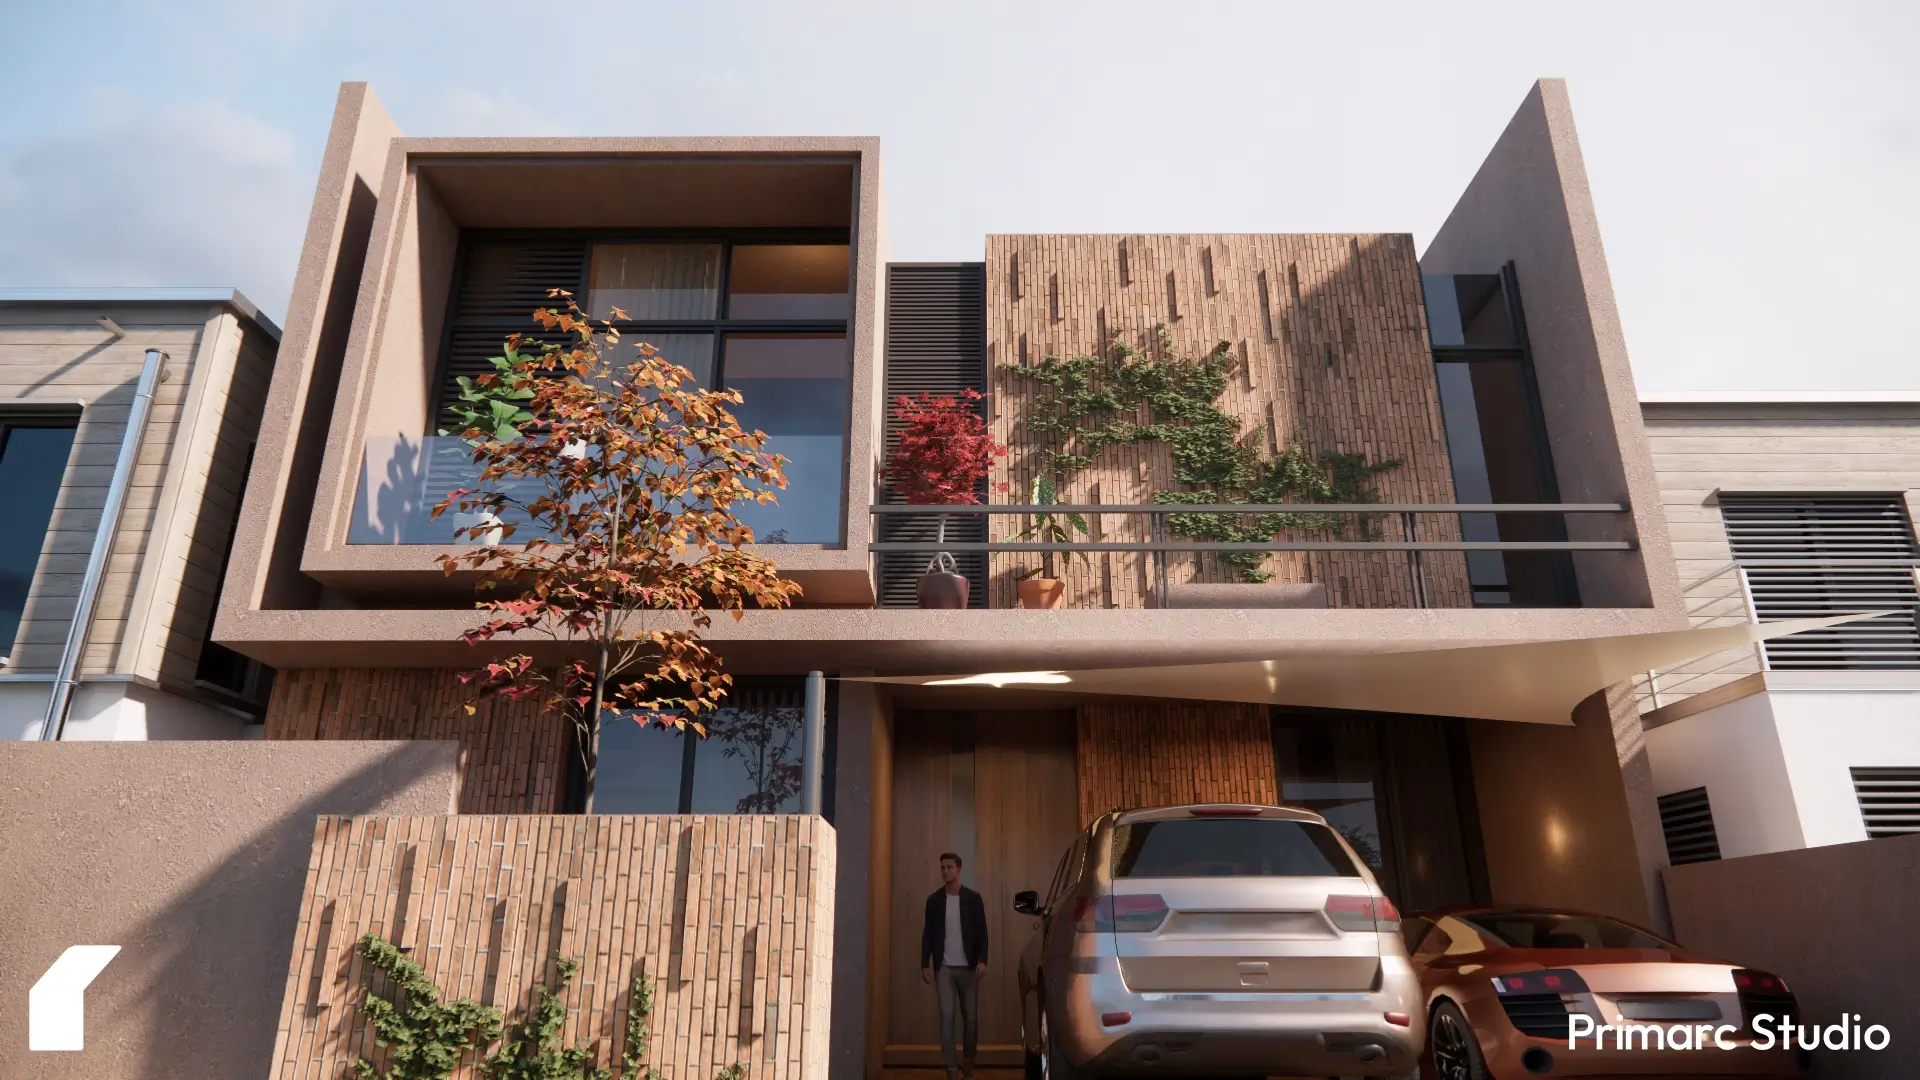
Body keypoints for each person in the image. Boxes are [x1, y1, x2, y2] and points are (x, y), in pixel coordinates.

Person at [920, 851, 987, 1080]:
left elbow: (982, 932)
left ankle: (968, 1062)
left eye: (949, 867)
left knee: (970, 1018)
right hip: (944, 969)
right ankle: (950, 1067)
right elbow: (927, 934)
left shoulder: (973, 899)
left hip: (968, 968)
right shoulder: (934, 901)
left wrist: (982, 960)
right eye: (942, 867)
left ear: (958, 869)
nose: (945, 871)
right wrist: (924, 964)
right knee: (946, 1016)